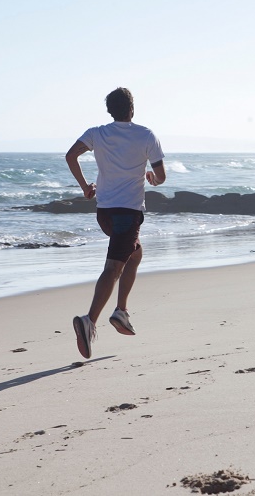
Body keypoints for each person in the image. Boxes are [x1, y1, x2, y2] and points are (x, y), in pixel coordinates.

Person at [65, 87, 166, 359]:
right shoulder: (146, 135)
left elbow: (70, 156)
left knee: (135, 254)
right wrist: (152, 180)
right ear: (132, 109)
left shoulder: (97, 133)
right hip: (128, 213)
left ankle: (121, 310)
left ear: (110, 111)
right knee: (113, 267)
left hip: (105, 213)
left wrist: (86, 186)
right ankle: (89, 321)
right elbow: (161, 176)